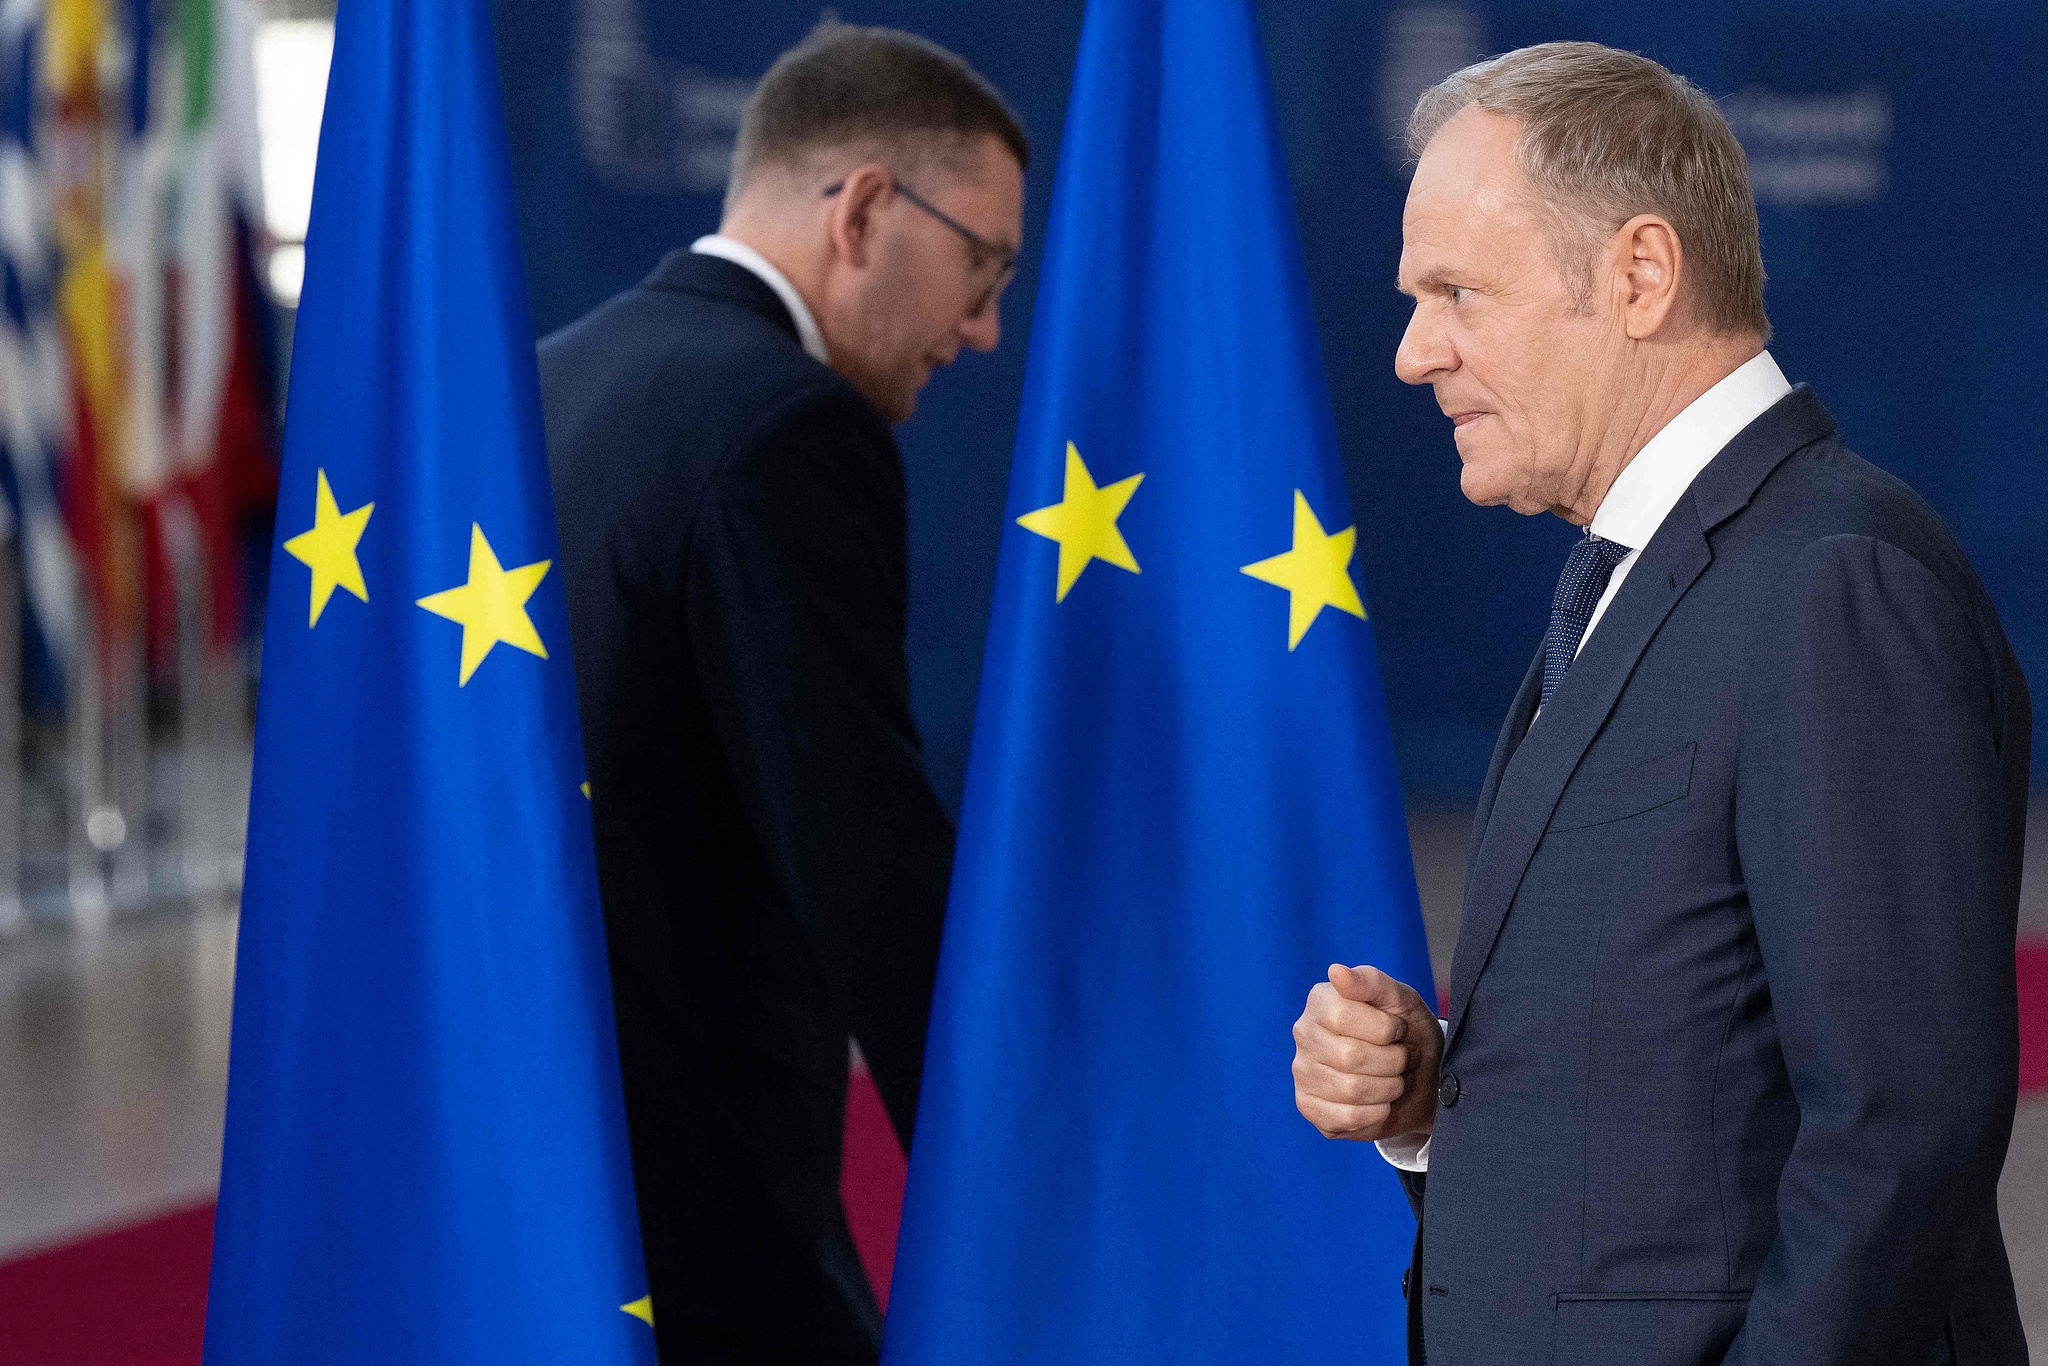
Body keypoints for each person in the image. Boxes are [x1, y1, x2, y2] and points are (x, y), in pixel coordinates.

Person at [1290, 41, 2029, 1366]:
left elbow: (1897, 1129)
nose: (1411, 352)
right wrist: (1436, 1090)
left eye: (1457, 290)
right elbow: (1695, 1077)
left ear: (1639, 274)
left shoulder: (1829, 582)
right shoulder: (1638, 580)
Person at [539, 21, 1025, 1363]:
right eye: (982, 267)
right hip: (697, 1200)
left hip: (524, 1163)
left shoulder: (544, 377)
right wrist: (1018, 1192)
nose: (981, 327)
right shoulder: (788, 425)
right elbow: (862, 855)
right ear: (865, 207)